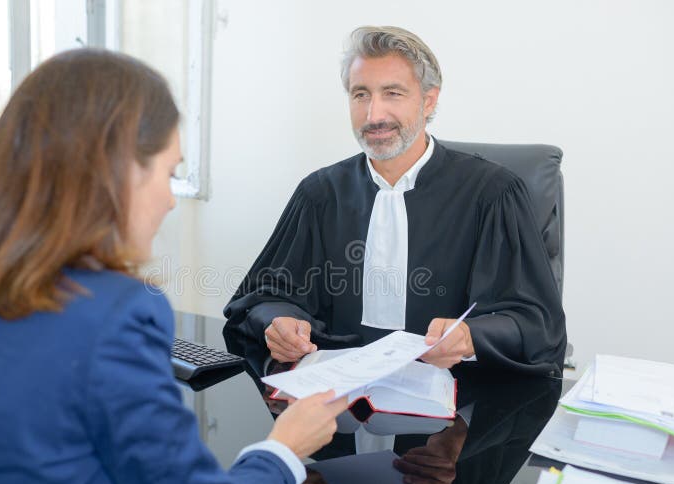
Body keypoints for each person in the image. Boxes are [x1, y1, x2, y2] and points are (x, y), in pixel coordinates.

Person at [0, 49, 347, 484]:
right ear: (117, 171)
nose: (171, 199)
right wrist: (283, 450)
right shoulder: (114, 312)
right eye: (168, 173)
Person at [224, 26, 567, 377]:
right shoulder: (320, 194)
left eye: (392, 93)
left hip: (457, 407)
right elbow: (263, 296)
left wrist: (470, 336)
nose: (374, 115)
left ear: (429, 100)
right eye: (361, 95)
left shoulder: (493, 194)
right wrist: (280, 321)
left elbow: (536, 323)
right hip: (336, 402)